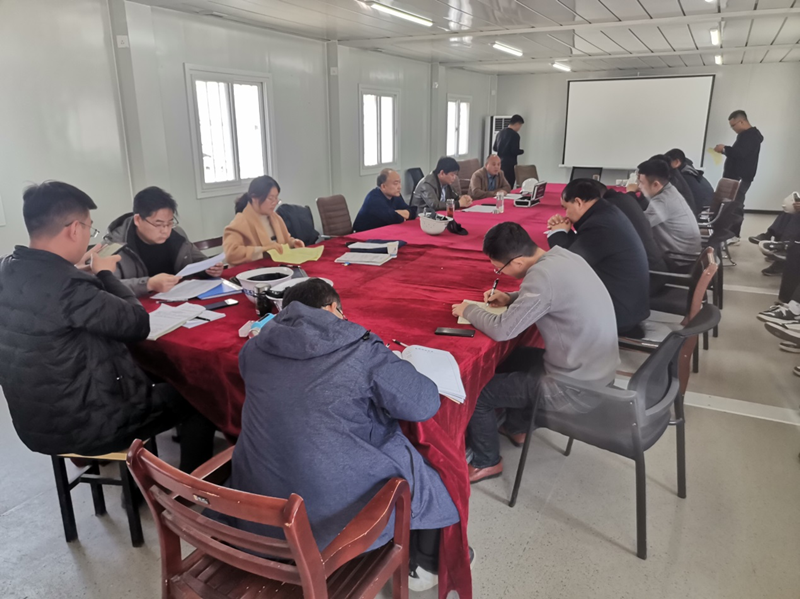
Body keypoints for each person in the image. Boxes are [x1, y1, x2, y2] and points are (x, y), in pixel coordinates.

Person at [227, 279, 460, 591]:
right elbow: (424, 404)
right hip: (322, 523)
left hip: (258, 508)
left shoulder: (254, 346)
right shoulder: (360, 350)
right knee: (427, 469)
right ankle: (427, 563)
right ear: (333, 308)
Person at [0, 181, 215, 471]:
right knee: (199, 395)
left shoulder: (7, 269)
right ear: (75, 229)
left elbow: (49, 297)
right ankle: (192, 487)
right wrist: (105, 275)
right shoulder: (69, 286)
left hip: (33, 423)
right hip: (88, 424)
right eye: (90, 229)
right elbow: (137, 323)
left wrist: (78, 272)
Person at [451, 223, 619, 482]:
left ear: (517, 262)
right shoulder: (562, 256)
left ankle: (487, 461)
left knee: (478, 392)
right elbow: (550, 293)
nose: (499, 273)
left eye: (499, 268)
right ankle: (517, 427)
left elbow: (502, 330)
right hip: (596, 372)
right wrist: (511, 297)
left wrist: (469, 310)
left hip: (575, 388)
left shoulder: (541, 278)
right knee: (514, 358)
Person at [547, 179, 650, 335]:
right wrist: (564, 232)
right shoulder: (607, 212)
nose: (565, 214)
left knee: (551, 306)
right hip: (629, 303)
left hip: (618, 313)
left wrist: (557, 233)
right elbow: (585, 247)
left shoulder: (599, 224)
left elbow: (568, 265)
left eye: (565, 208)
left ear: (578, 202)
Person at [104, 186, 224, 297]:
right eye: (158, 224)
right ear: (138, 220)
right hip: (137, 307)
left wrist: (210, 269)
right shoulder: (114, 245)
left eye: (169, 223)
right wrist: (148, 284)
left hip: (179, 301)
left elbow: (199, 260)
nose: (165, 231)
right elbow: (106, 287)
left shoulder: (177, 234)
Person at [223, 176, 305, 266]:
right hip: (253, 271)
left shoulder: (275, 218)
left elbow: (285, 240)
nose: (275, 202)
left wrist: (293, 243)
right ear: (254, 198)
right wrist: (263, 250)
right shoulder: (240, 222)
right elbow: (231, 253)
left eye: (276, 198)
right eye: (271, 198)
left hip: (277, 267)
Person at [636, 158, 702, 269]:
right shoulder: (670, 190)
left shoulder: (663, 201)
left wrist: (630, 194)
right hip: (686, 253)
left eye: (641, 182)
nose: (639, 187)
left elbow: (639, 225)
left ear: (656, 184)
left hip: (679, 261)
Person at [714, 110, 764, 243]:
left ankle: (733, 235)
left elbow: (740, 153)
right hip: (738, 176)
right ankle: (730, 233)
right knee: (732, 204)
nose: (733, 129)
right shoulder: (747, 135)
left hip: (740, 177)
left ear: (741, 121)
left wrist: (724, 149)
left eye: (733, 125)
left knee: (736, 205)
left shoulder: (750, 136)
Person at [352, 168, 417, 233]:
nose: (400, 187)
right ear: (383, 186)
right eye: (395, 183)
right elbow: (396, 219)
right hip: (364, 235)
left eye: (400, 183)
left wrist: (396, 212)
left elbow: (413, 212)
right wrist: (402, 214)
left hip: (383, 232)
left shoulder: (395, 195)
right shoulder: (374, 199)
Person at [665, 149, 714, 213]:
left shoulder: (684, 177)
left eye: (667, 162)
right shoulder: (692, 172)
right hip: (704, 209)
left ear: (677, 162)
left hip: (698, 211)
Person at [492, 114, 524, 186]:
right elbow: (514, 150)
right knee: (508, 185)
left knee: (499, 184)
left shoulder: (500, 133)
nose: (519, 128)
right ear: (517, 124)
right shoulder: (515, 135)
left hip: (499, 164)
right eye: (520, 126)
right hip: (510, 165)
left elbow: (495, 148)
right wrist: (521, 151)